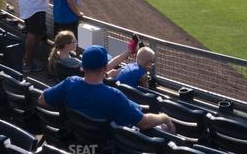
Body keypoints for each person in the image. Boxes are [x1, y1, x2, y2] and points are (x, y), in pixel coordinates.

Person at [38, 45, 175, 132]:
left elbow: (41, 100)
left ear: (82, 67)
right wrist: (164, 117)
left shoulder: (69, 83)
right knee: (161, 129)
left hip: (75, 139)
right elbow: (144, 123)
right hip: (103, 146)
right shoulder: (114, 96)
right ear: (105, 68)